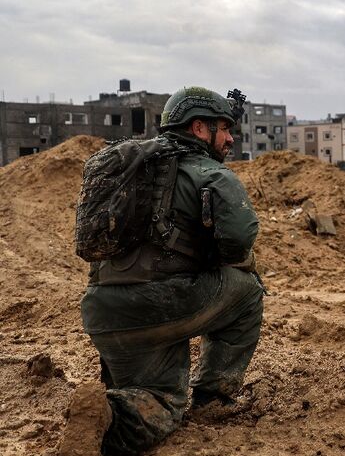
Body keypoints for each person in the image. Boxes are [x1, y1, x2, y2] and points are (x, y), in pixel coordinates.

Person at [59, 87, 264, 456]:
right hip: (161, 305)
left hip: (104, 314)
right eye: (225, 128)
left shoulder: (131, 166)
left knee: (154, 399)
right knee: (248, 289)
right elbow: (239, 239)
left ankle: (102, 416)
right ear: (199, 128)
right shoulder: (212, 174)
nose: (232, 138)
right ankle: (213, 399)